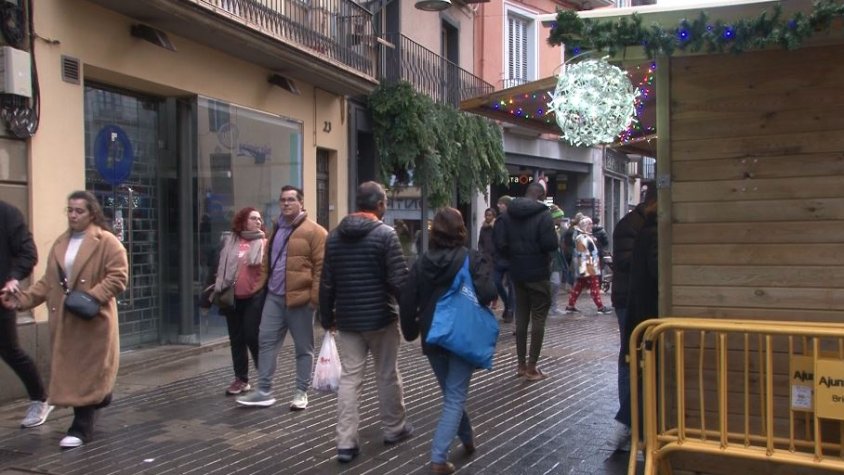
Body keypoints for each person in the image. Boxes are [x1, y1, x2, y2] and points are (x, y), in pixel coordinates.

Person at [2, 191, 128, 449]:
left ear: (91, 213)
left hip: (94, 320)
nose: (72, 215)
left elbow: (118, 277)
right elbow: (48, 283)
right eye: (69, 210)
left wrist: (90, 298)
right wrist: (21, 300)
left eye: (78, 211)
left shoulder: (107, 242)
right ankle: (100, 397)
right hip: (66, 321)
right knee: (78, 375)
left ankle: (80, 429)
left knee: (87, 372)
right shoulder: (61, 243)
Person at [319, 181, 412, 464]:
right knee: (387, 374)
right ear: (380, 204)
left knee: (350, 379)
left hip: (347, 320)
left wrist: (327, 318)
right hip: (381, 318)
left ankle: (345, 442)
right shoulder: (386, 235)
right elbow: (398, 281)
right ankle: (394, 428)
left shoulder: (334, 237)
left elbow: (326, 283)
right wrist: (412, 314)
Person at [399, 207, 496, 475]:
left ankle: (466, 438)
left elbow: (407, 300)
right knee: (454, 396)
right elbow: (488, 292)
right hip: (462, 335)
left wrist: (410, 332)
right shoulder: (471, 258)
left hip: (433, 336)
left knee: (451, 394)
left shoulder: (421, 263)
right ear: (461, 230)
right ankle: (438, 459)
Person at [237, 186, 327, 411]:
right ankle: (264, 391)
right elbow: (268, 261)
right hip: (274, 297)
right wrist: (261, 286)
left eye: (290, 200)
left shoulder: (316, 232)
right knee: (265, 341)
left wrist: (315, 298)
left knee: (303, 348)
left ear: (301, 203)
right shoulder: (277, 228)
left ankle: (301, 392)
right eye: (282, 200)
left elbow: (321, 268)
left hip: (301, 299)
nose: (285, 204)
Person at [608, 185, 657, 450]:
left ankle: (632, 420)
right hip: (629, 298)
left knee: (634, 355)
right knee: (630, 356)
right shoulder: (634, 226)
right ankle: (628, 423)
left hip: (634, 297)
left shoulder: (639, 224)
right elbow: (626, 262)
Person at [494, 182, 558, 381]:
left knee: (522, 316)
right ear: (541, 196)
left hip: (517, 272)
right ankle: (532, 367)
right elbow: (550, 244)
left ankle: (520, 365)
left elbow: (500, 244)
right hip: (538, 272)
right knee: (538, 317)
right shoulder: (544, 215)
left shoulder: (506, 216)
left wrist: (514, 257)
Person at [0, 200, 52, 429]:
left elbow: (28, 254)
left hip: (2, 296)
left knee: (9, 350)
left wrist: (13, 277)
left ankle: (39, 398)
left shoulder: (7, 214)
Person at [210, 207, 267, 396]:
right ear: (243, 221)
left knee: (251, 336)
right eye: (253, 218)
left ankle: (265, 375)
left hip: (254, 297)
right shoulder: (229, 241)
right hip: (231, 297)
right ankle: (241, 379)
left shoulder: (264, 243)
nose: (258, 221)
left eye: (259, 219)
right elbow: (217, 265)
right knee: (236, 339)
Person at [564, 217, 613, 315]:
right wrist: (590, 266)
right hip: (588, 265)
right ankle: (600, 306)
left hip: (586, 265)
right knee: (594, 285)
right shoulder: (583, 238)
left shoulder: (583, 237)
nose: (591, 226)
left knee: (579, 285)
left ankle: (570, 305)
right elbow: (587, 253)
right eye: (589, 224)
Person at [492, 196, 514, 322]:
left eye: (500, 204)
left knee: (509, 285)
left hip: (505, 257)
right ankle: (509, 306)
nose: (498, 206)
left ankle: (510, 309)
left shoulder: (503, 220)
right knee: (500, 283)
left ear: (506, 205)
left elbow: (498, 240)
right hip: (504, 257)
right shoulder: (504, 220)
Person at [548, 205, 567, 315]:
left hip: (557, 258)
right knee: (555, 283)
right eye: (560, 217)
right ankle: (551, 306)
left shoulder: (558, 229)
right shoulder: (550, 229)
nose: (561, 219)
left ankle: (553, 306)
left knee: (557, 283)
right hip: (552, 259)